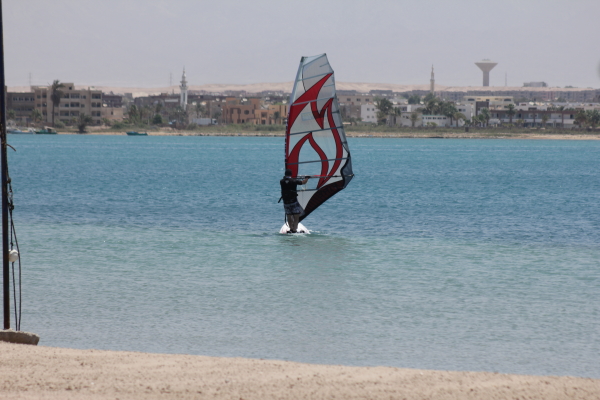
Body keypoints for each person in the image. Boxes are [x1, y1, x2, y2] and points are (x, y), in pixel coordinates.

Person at [280, 169, 310, 233]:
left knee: (289, 216)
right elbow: (303, 182)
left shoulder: (281, 181)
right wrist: (307, 178)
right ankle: (294, 230)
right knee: (296, 216)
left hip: (286, 202)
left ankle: (290, 229)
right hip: (293, 201)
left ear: (285, 174)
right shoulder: (294, 181)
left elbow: (286, 181)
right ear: (291, 174)